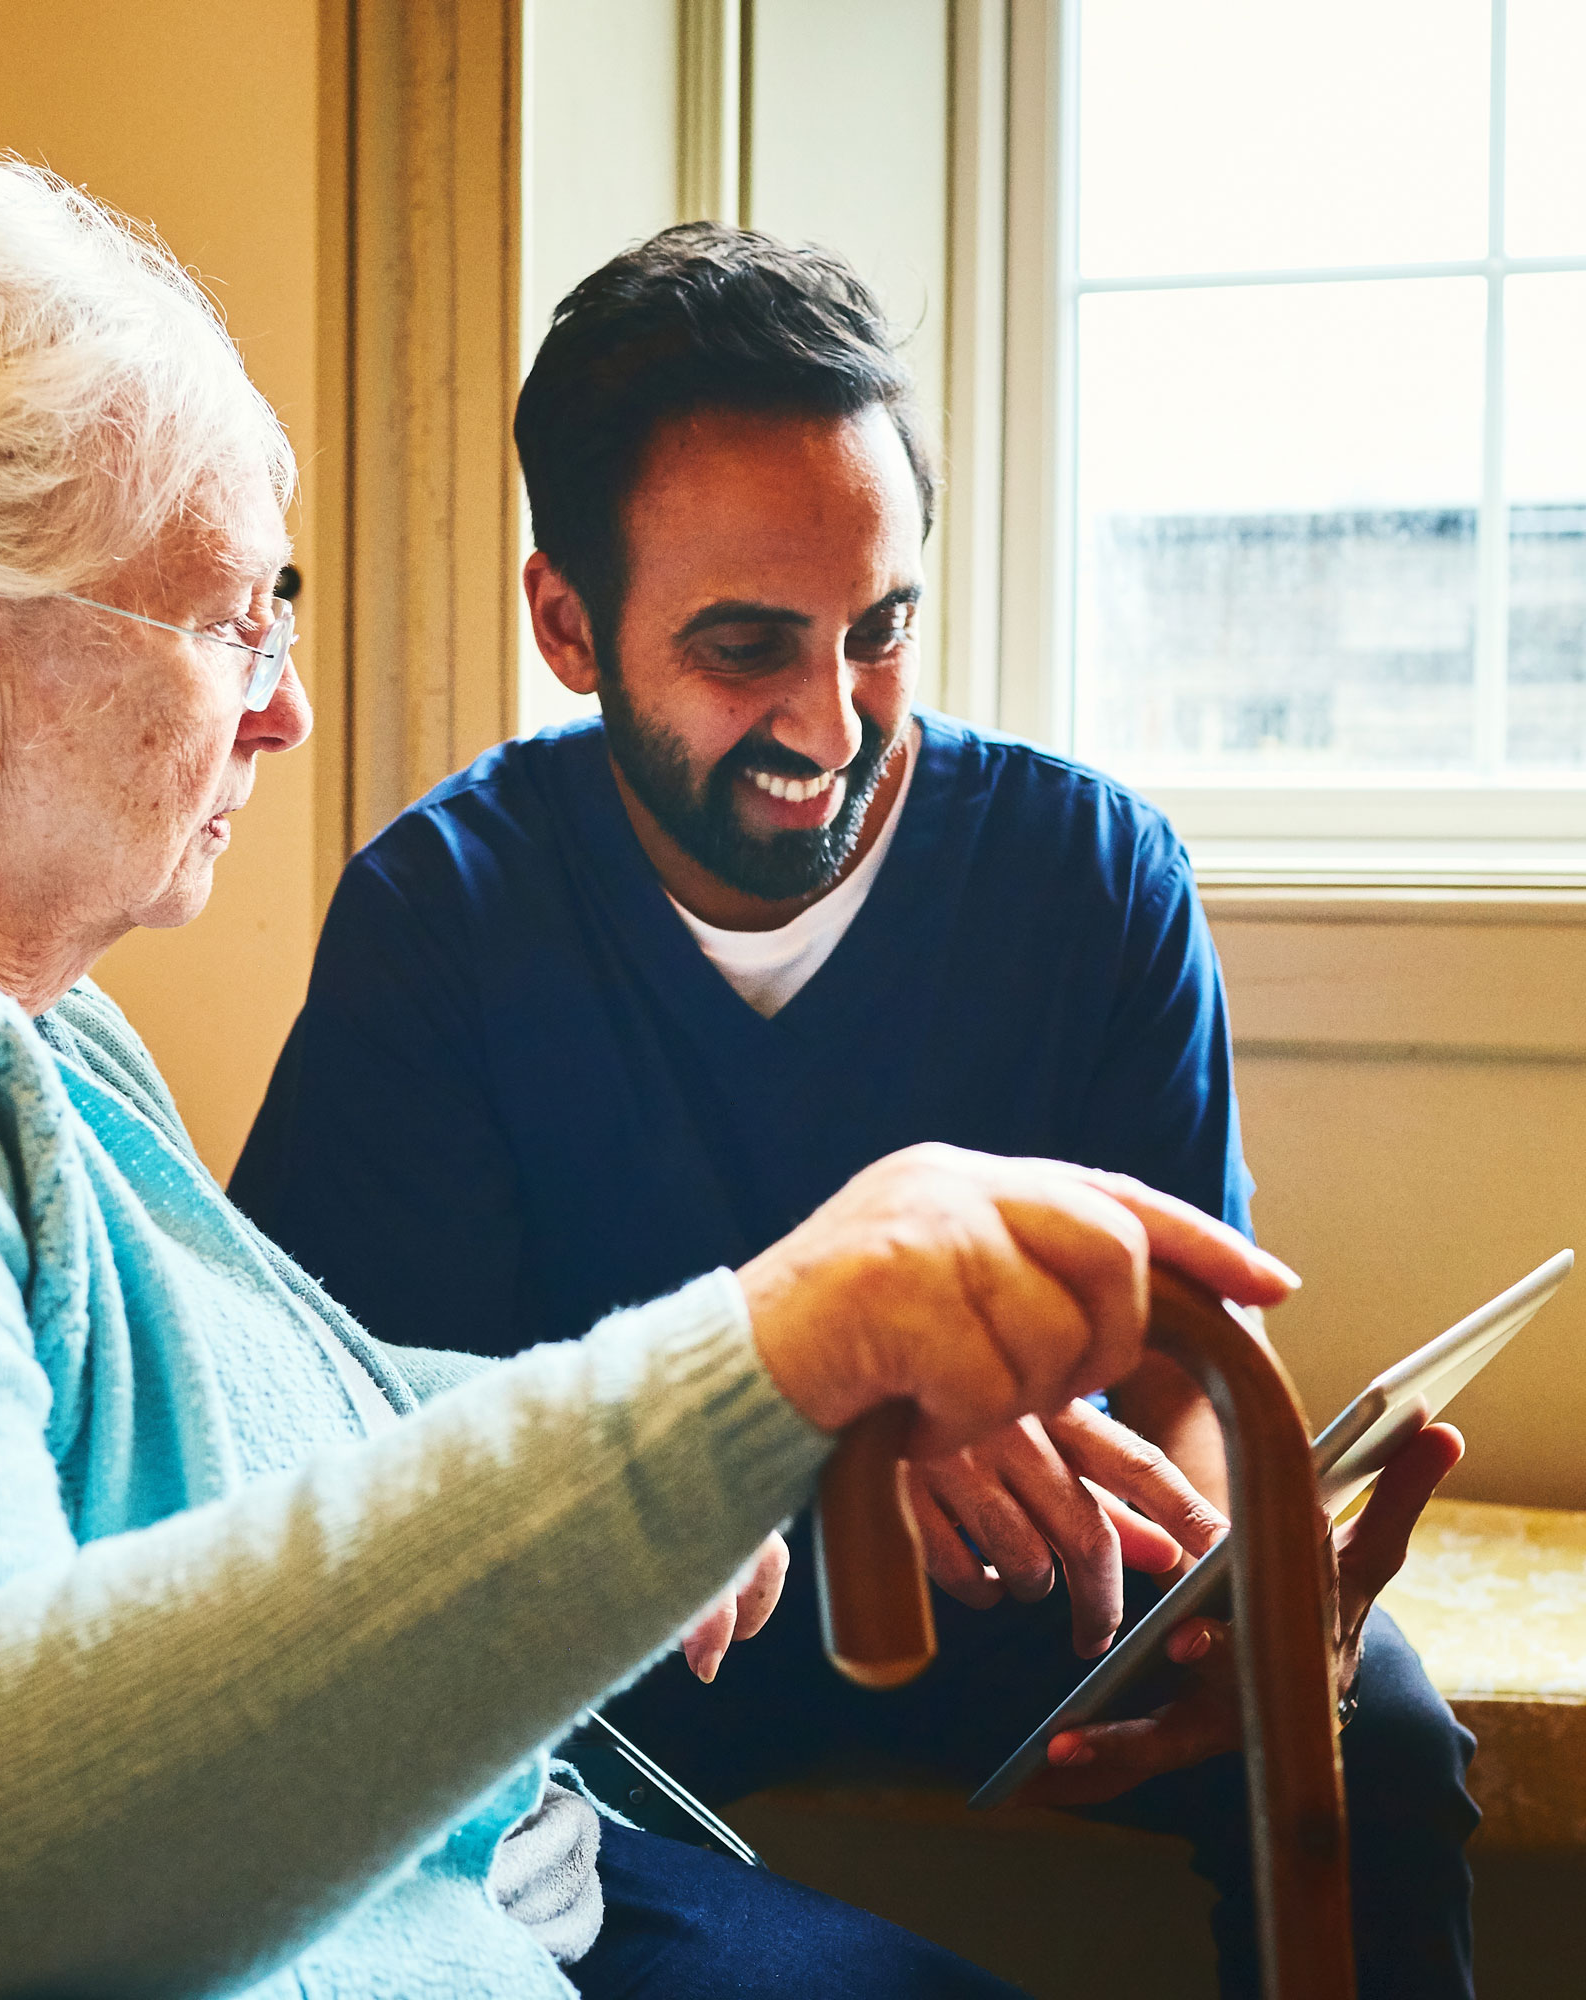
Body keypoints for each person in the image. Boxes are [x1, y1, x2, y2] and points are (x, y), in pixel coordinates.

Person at [0, 152, 1333, 2000]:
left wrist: (768, 1429)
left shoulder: (10, 1012)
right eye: (231, 619)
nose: (287, 705)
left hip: (508, 1872)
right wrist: (757, 1361)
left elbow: (252, 1428)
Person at [233, 224, 1480, 1999]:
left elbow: (1183, 1365)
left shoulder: (1088, 870)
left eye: (880, 633)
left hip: (1032, 1602)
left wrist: (1225, 1596)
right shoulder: (445, 923)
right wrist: (822, 1428)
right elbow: (349, 1451)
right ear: (568, 624)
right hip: (644, 1643)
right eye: (748, 648)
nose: (834, 721)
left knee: (1378, 1747)